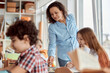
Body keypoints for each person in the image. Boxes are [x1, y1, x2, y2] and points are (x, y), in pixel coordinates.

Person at [46, 1, 79, 67]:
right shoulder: (52, 27)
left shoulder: (71, 18)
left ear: (61, 10)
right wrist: (51, 55)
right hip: (64, 57)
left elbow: (77, 33)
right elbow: (52, 43)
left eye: (56, 13)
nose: (54, 16)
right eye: (52, 14)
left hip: (77, 54)